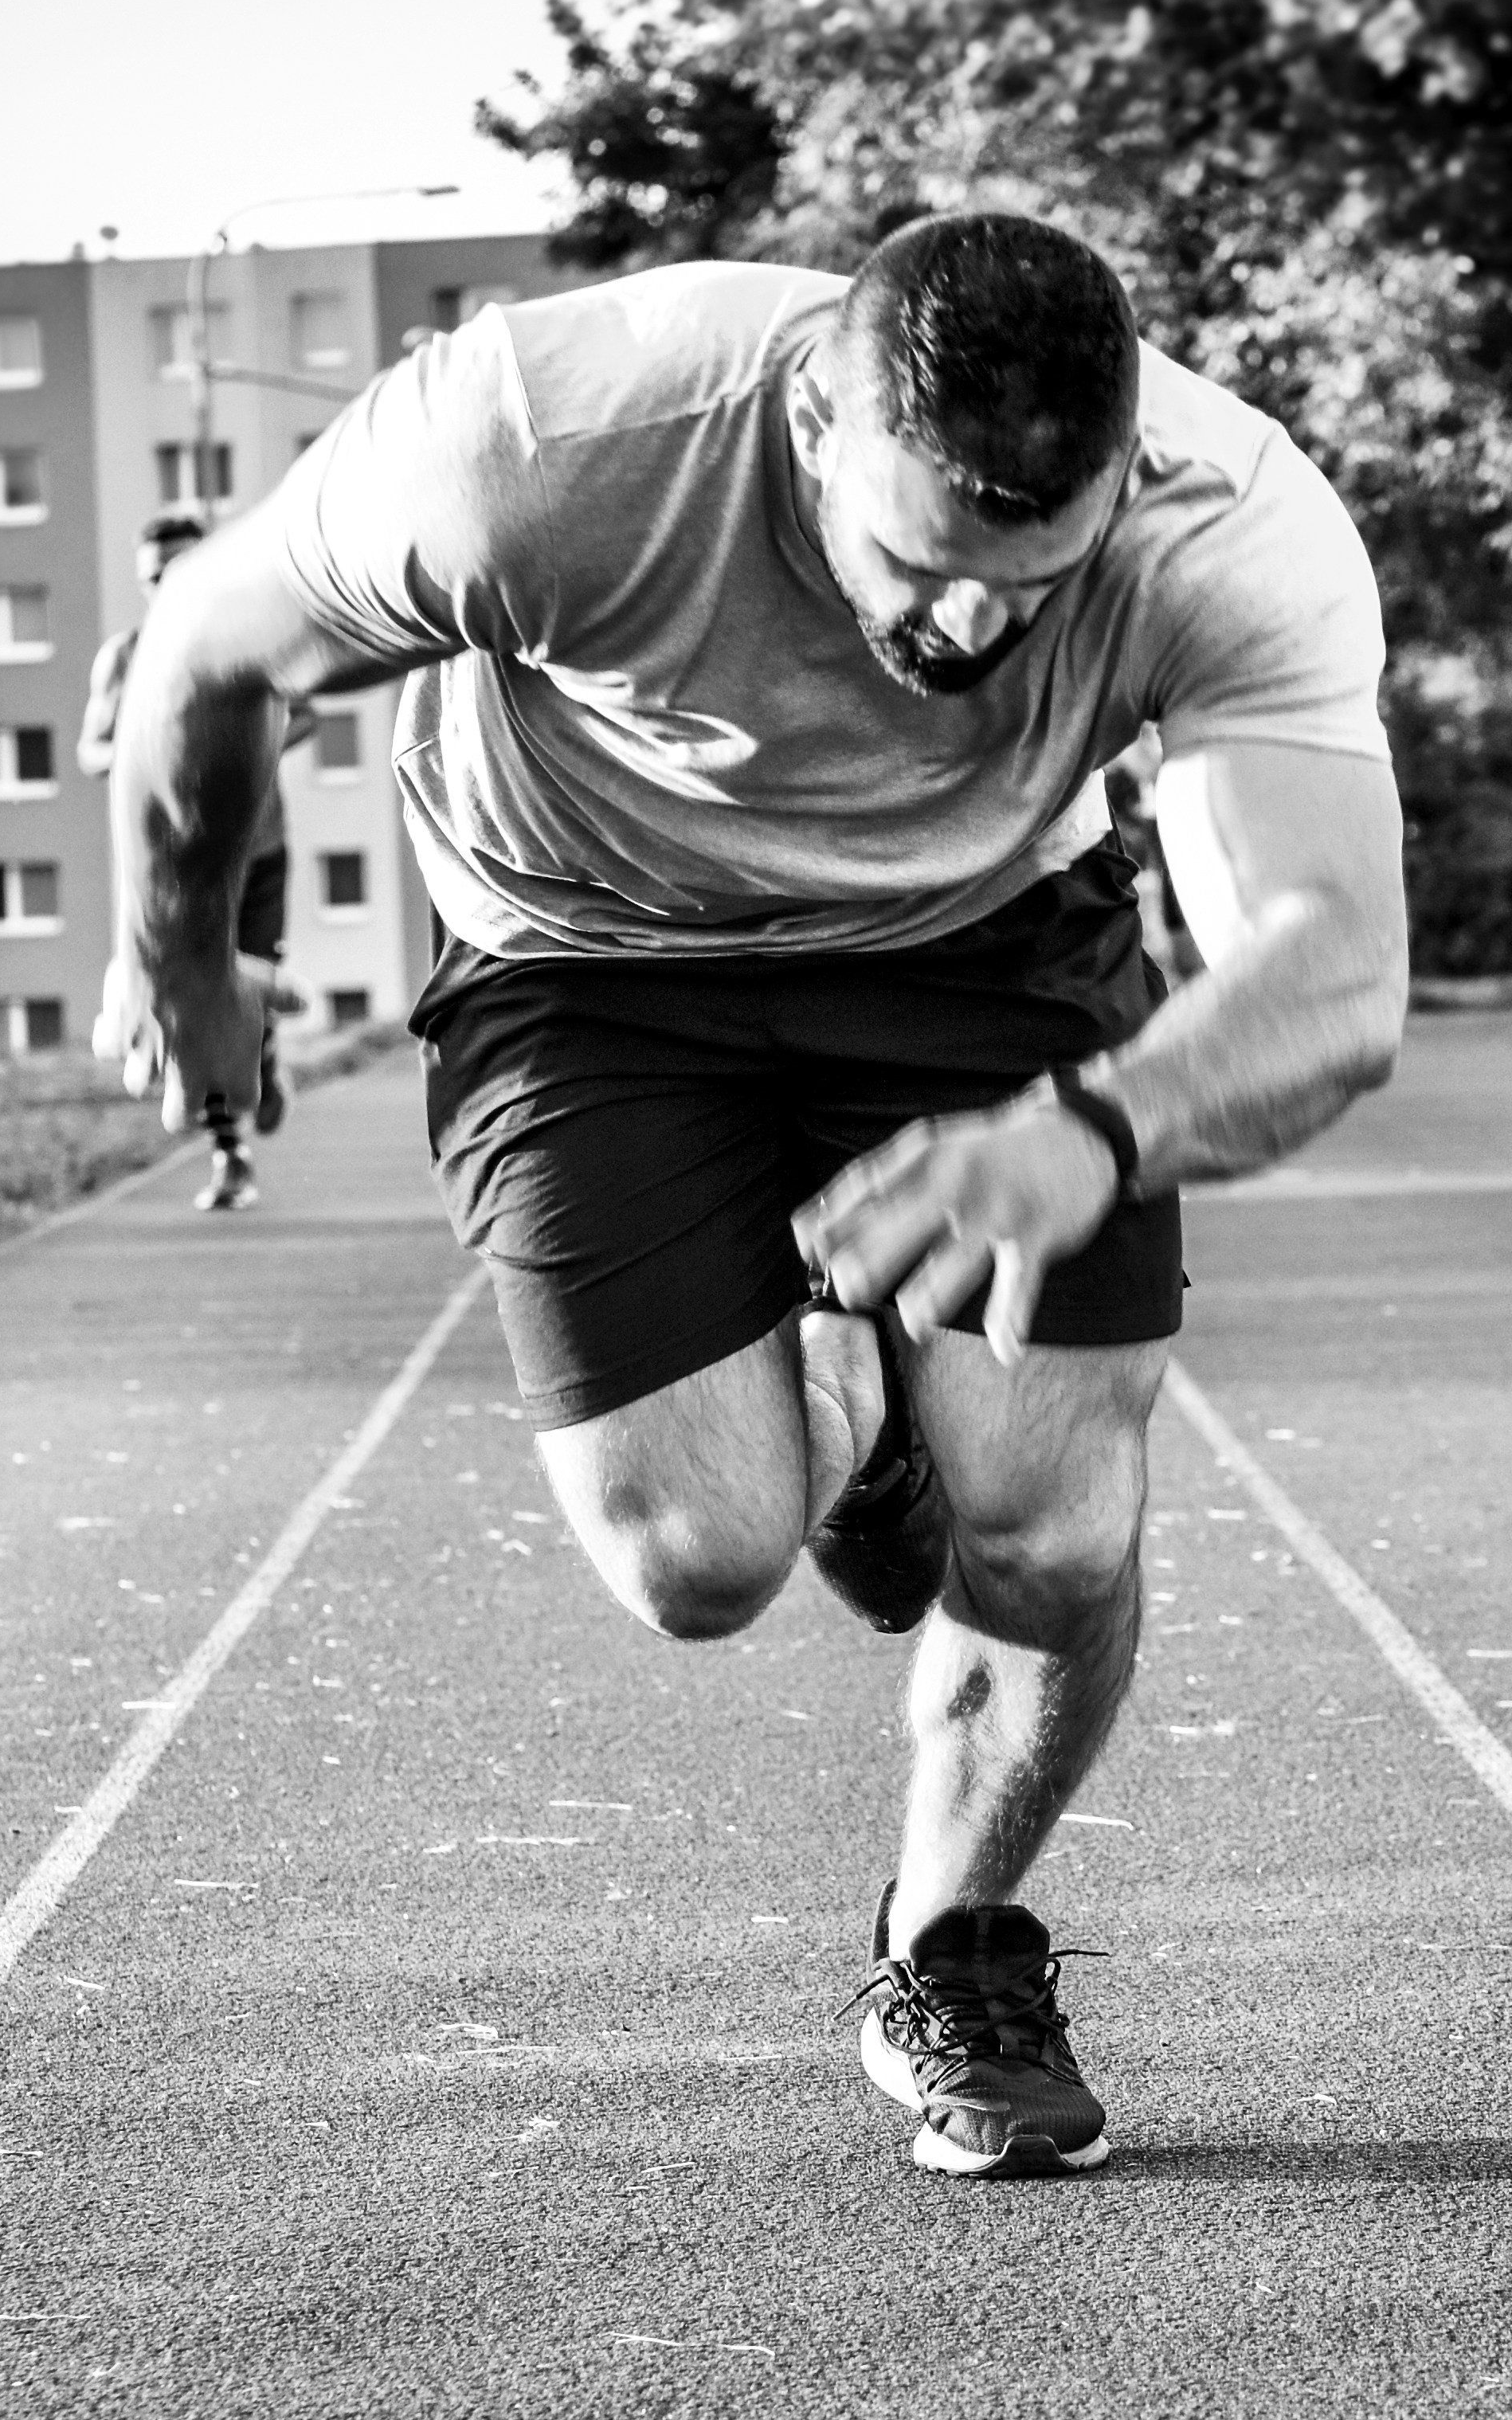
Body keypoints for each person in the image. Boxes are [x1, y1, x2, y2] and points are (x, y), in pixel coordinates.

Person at [98, 213, 1406, 2178]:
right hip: (584, 944)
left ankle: (951, 1941)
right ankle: (853, 1410)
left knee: (1049, 1534)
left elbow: (1334, 968)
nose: (964, 633)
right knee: (699, 1557)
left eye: (1022, 591)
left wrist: (1097, 1127)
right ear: (812, 420)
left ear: (1121, 483)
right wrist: (198, 966)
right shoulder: (544, 439)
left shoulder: (1230, 524)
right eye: (918, 567)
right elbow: (212, 650)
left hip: (978, 947)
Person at [82, 500, 286, 1207]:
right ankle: (231, 1154)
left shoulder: (251, 636)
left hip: (261, 847)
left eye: (178, 571)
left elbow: (308, 709)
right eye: (151, 578)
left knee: (258, 985)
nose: (165, 587)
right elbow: (90, 748)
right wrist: (158, 746)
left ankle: (264, 1053)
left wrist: (233, 746)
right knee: (200, 995)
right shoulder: (125, 656)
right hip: (179, 870)